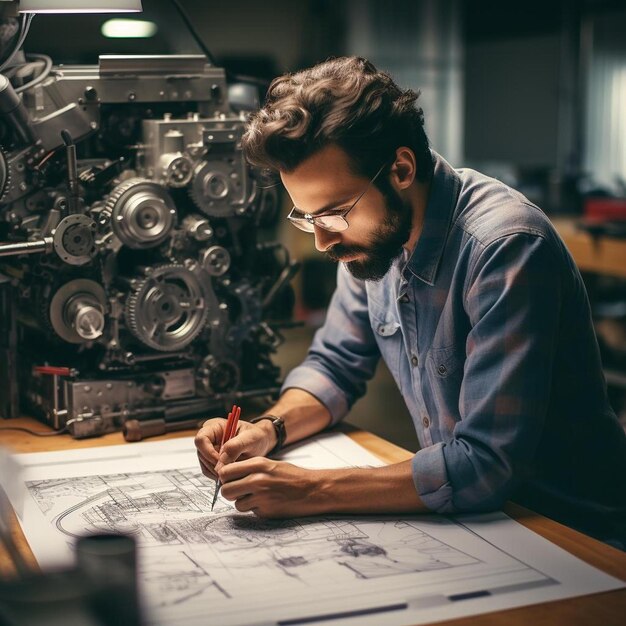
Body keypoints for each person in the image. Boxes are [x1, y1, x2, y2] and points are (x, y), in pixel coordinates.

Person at [195, 56, 626, 547]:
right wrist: (269, 429)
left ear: (400, 169)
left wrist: (311, 489)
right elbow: (334, 366)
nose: (321, 241)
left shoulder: (505, 247)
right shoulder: (371, 238)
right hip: (474, 526)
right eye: (307, 218)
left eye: (333, 214)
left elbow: (485, 465)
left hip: (572, 535)